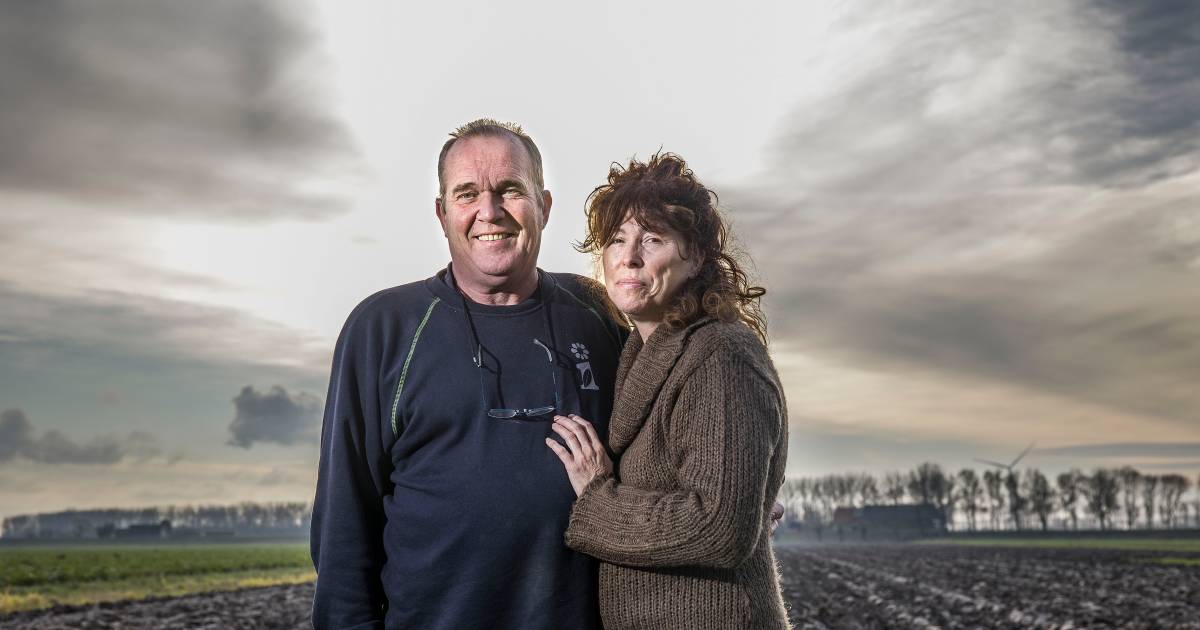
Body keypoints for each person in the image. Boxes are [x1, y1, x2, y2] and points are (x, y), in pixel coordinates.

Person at [310, 119, 627, 629]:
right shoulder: (383, 329)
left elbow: (666, 425)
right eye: (467, 194)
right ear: (441, 214)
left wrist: (727, 497)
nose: (489, 211)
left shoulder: (600, 314)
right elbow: (343, 531)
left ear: (544, 205)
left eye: (510, 190)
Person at [546, 152, 791, 629]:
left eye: (652, 239)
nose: (629, 256)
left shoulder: (721, 353)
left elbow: (720, 527)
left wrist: (597, 497)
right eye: (617, 240)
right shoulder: (644, 349)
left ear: (696, 255)